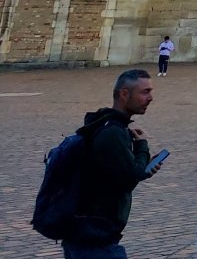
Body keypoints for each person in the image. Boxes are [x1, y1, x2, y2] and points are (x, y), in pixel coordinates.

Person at [60, 68, 155, 258]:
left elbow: (122, 173)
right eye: (145, 92)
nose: (150, 98)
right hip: (94, 235)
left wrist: (143, 164)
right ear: (124, 94)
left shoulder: (104, 124)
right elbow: (129, 179)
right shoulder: (113, 132)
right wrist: (142, 147)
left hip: (87, 231)